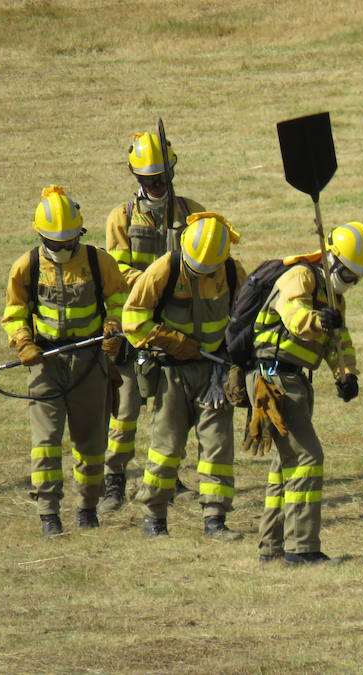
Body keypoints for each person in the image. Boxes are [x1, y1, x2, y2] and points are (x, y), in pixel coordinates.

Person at [245, 221, 363, 566]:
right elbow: (293, 316)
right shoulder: (300, 277)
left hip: (297, 379)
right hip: (274, 377)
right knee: (308, 457)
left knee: (285, 463)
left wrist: (346, 374)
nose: (349, 283)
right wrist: (320, 320)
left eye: (356, 279)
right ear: (332, 259)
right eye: (347, 275)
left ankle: (270, 547)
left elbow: (339, 342)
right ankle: (301, 549)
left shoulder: (334, 297)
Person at [2, 185, 128, 537]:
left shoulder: (97, 261)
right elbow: (14, 313)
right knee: (45, 442)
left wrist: (113, 326)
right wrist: (23, 341)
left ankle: (88, 507)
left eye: (69, 241)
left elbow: (120, 299)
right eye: (55, 242)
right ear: (41, 235)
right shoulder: (26, 266)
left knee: (90, 443)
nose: (63, 248)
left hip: (89, 360)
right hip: (45, 362)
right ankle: (48, 514)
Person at [122, 211, 246, 539]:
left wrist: (227, 369)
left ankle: (215, 521)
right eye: (195, 267)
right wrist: (175, 343)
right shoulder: (164, 269)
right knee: (167, 447)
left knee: (218, 448)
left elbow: (245, 323)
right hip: (170, 373)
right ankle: (154, 518)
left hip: (214, 372)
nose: (200, 272)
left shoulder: (231, 271)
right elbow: (133, 321)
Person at [100, 128, 205, 514]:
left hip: (175, 328)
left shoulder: (192, 213)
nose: (156, 184)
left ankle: (168, 476)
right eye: (147, 178)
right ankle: (113, 480)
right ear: (136, 177)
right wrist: (152, 285)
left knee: (170, 410)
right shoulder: (122, 216)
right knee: (126, 410)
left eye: (160, 177)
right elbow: (117, 268)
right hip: (134, 323)